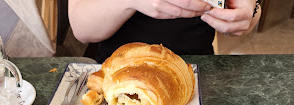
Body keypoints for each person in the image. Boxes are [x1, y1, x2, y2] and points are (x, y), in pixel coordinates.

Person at [68, 0, 262, 62]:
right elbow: (82, 29)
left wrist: (248, 12)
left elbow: (249, 10)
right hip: (115, 74)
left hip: (196, 72)